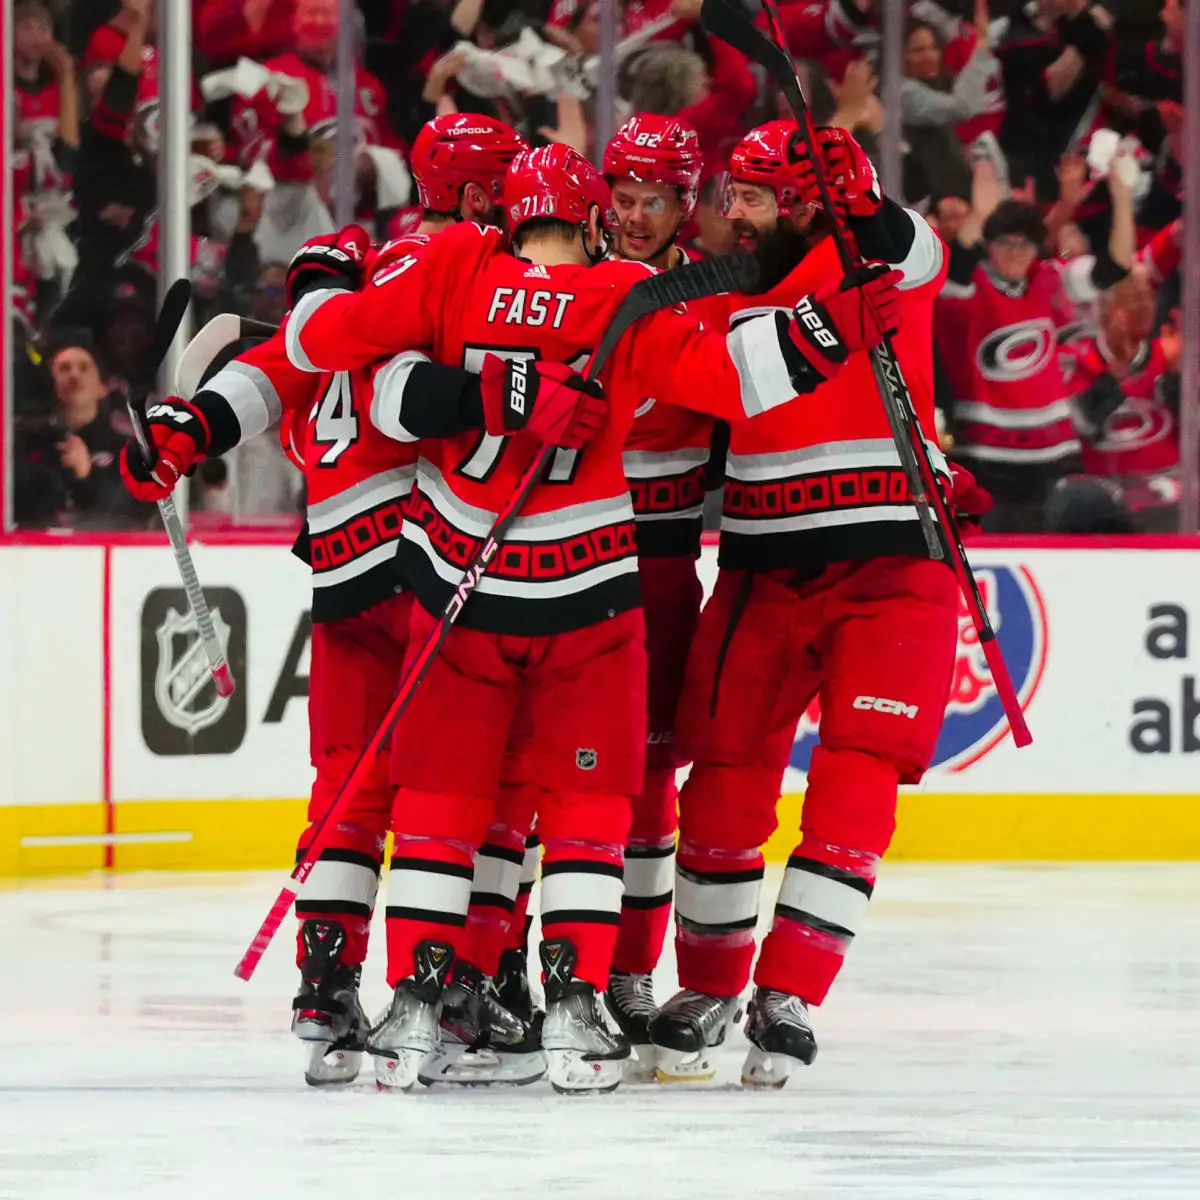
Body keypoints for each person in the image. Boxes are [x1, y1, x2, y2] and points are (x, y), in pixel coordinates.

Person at [282, 141, 901, 1092]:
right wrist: (825, 332)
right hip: (587, 598)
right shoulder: (621, 293)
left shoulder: (454, 268)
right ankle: (575, 1010)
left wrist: (467, 380)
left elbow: (367, 381)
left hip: (457, 589)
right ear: (594, 219)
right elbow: (734, 379)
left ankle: (417, 1005)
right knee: (589, 809)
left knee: (441, 804)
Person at [119, 115, 535, 1088]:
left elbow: (274, 375)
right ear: (482, 196)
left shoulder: (354, 284)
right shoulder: (472, 271)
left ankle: (325, 991)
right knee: (471, 786)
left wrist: (189, 426)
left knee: (349, 785)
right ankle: (458, 987)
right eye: (512, 187)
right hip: (433, 562)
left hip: (344, 570)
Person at [645, 121, 960, 1089]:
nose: (732, 213)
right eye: (729, 194)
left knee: (857, 781)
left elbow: (922, 248)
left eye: (751, 196)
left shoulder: (878, 257)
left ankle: (790, 993)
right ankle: (708, 986)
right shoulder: (719, 288)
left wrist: (864, 206)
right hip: (763, 567)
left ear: (806, 202)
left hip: (894, 567)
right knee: (725, 782)